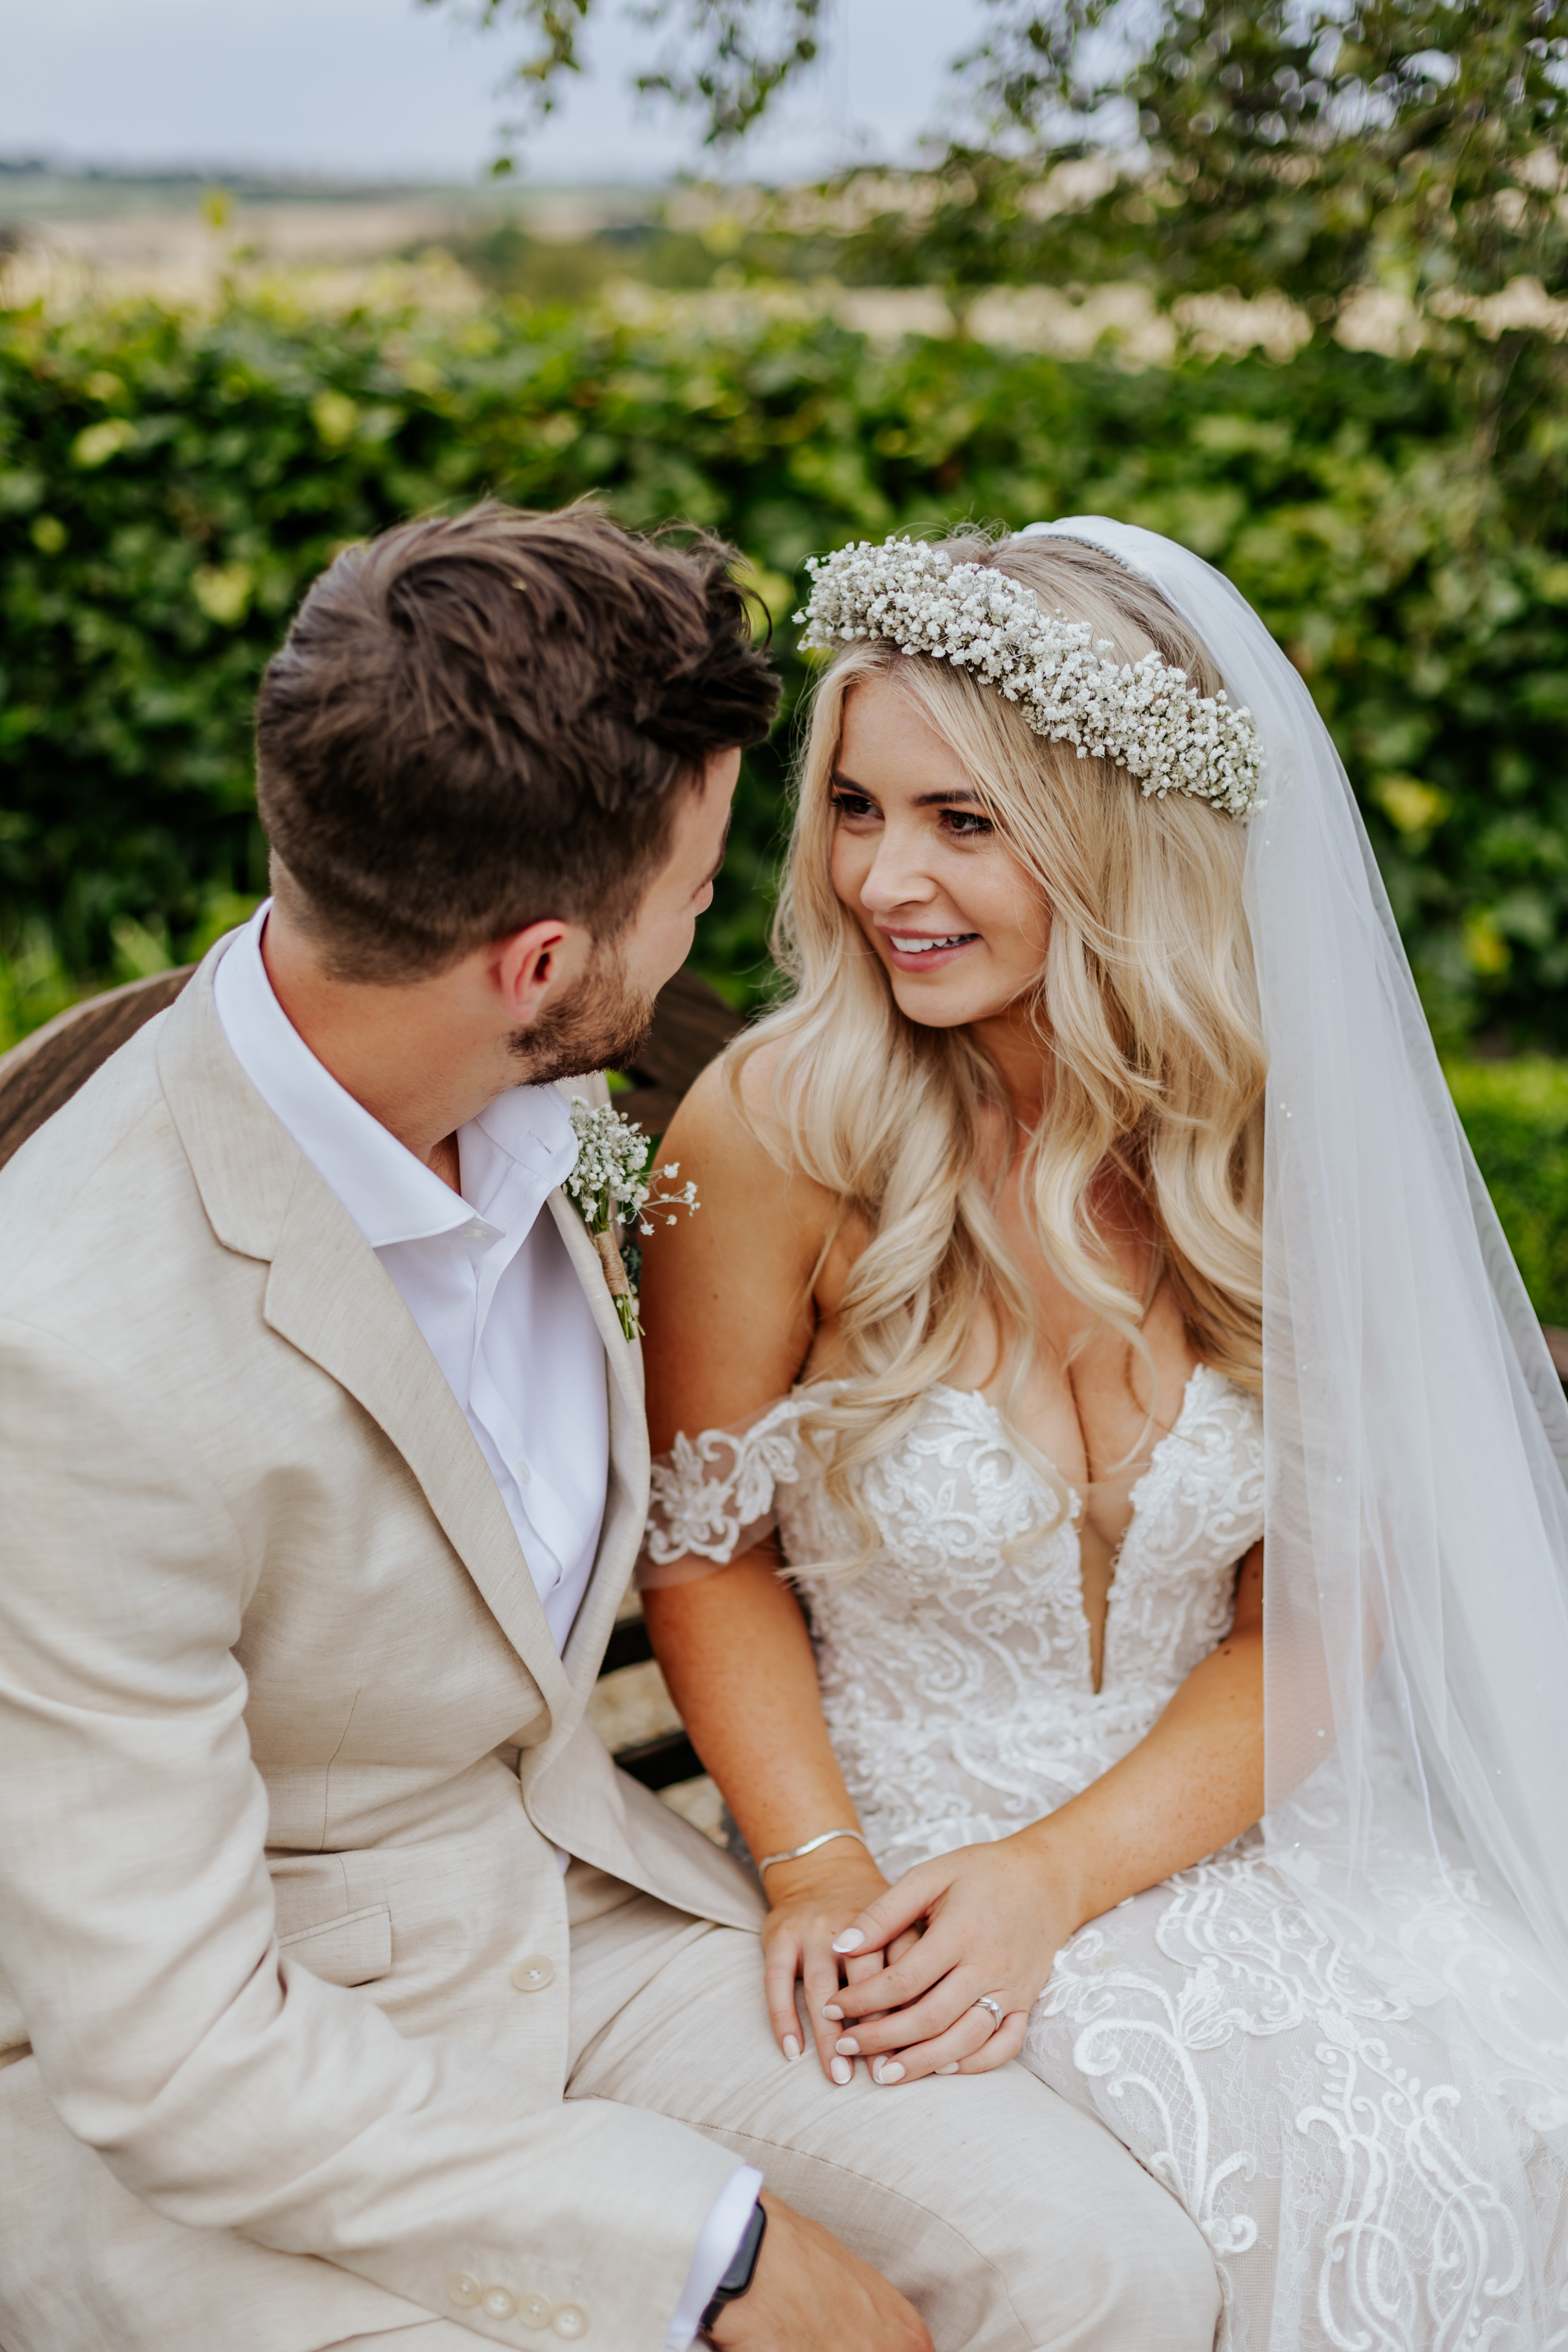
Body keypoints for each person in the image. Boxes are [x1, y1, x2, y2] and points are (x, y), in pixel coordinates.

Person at [0, 501, 1222, 2352]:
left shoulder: (514, 1098)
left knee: (1100, 2271)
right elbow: (173, 2050)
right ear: (545, 960)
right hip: (229, 2081)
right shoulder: (74, 1346)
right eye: (697, 886)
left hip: (576, 1916)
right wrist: (711, 2246)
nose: (743, 914)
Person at [636, 522, 1568, 2352]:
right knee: (1202, 2180)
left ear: (1118, 842)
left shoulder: (1267, 1140)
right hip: (894, 1859)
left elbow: (1301, 1627)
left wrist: (1062, 1875)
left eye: (963, 823)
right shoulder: (770, 1129)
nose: (884, 878)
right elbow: (704, 1554)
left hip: (1215, 1835)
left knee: (1485, 2094)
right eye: (852, 807)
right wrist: (819, 1870)